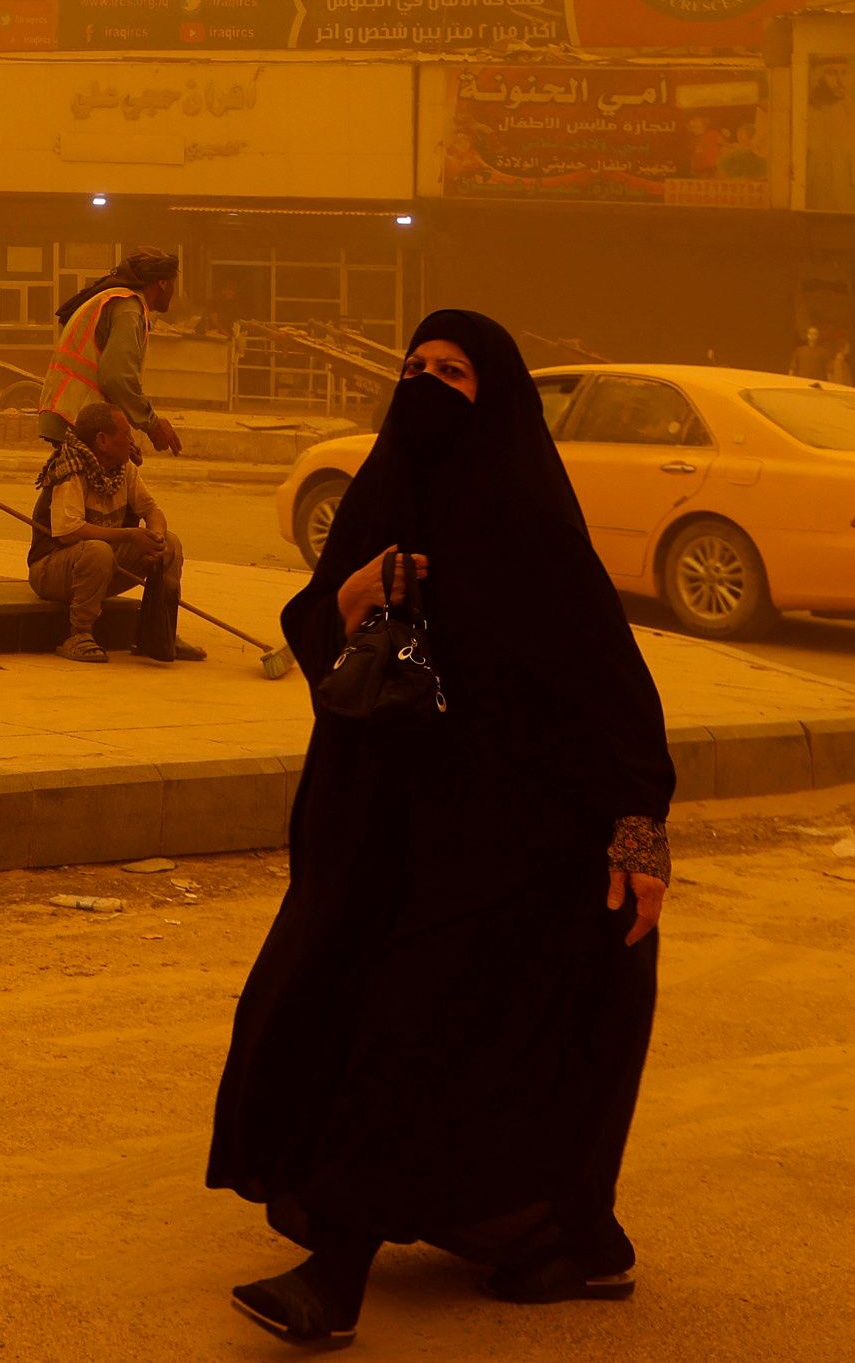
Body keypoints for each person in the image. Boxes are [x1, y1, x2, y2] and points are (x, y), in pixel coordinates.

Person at [208, 310, 673, 1342]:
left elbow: (610, 689)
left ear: (493, 394)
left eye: (451, 372)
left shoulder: (528, 521)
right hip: (372, 822)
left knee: (407, 1031)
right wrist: (353, 595)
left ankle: (333, 1273)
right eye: (411, 365)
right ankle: (557, 1234)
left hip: (508, 832)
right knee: (332, 1008)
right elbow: (307, 625)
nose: (423, 383)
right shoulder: (380, 498)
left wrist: (638, 836)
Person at [30, 401, 203, 666]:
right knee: (98, 550)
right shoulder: (71, 471)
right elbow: (69, 532)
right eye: (125, 434)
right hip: (53, 570)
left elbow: (152, 510)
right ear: (102, 441)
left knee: (171, 544)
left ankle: (159, 634)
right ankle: (79, 634)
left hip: (101, 565)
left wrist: (154, 538)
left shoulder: (124, 469)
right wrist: (131, 536)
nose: (132, 441)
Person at [36, 246, 187, 463]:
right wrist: (152, 424)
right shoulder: (128, 308)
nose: (174, 292)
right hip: (78, 415)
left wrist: (125, 438)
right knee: (91, 490)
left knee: (87, 489)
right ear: (163, 283)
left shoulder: (117, 301)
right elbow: (116, 378)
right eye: (174, 283)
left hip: (70, 412)